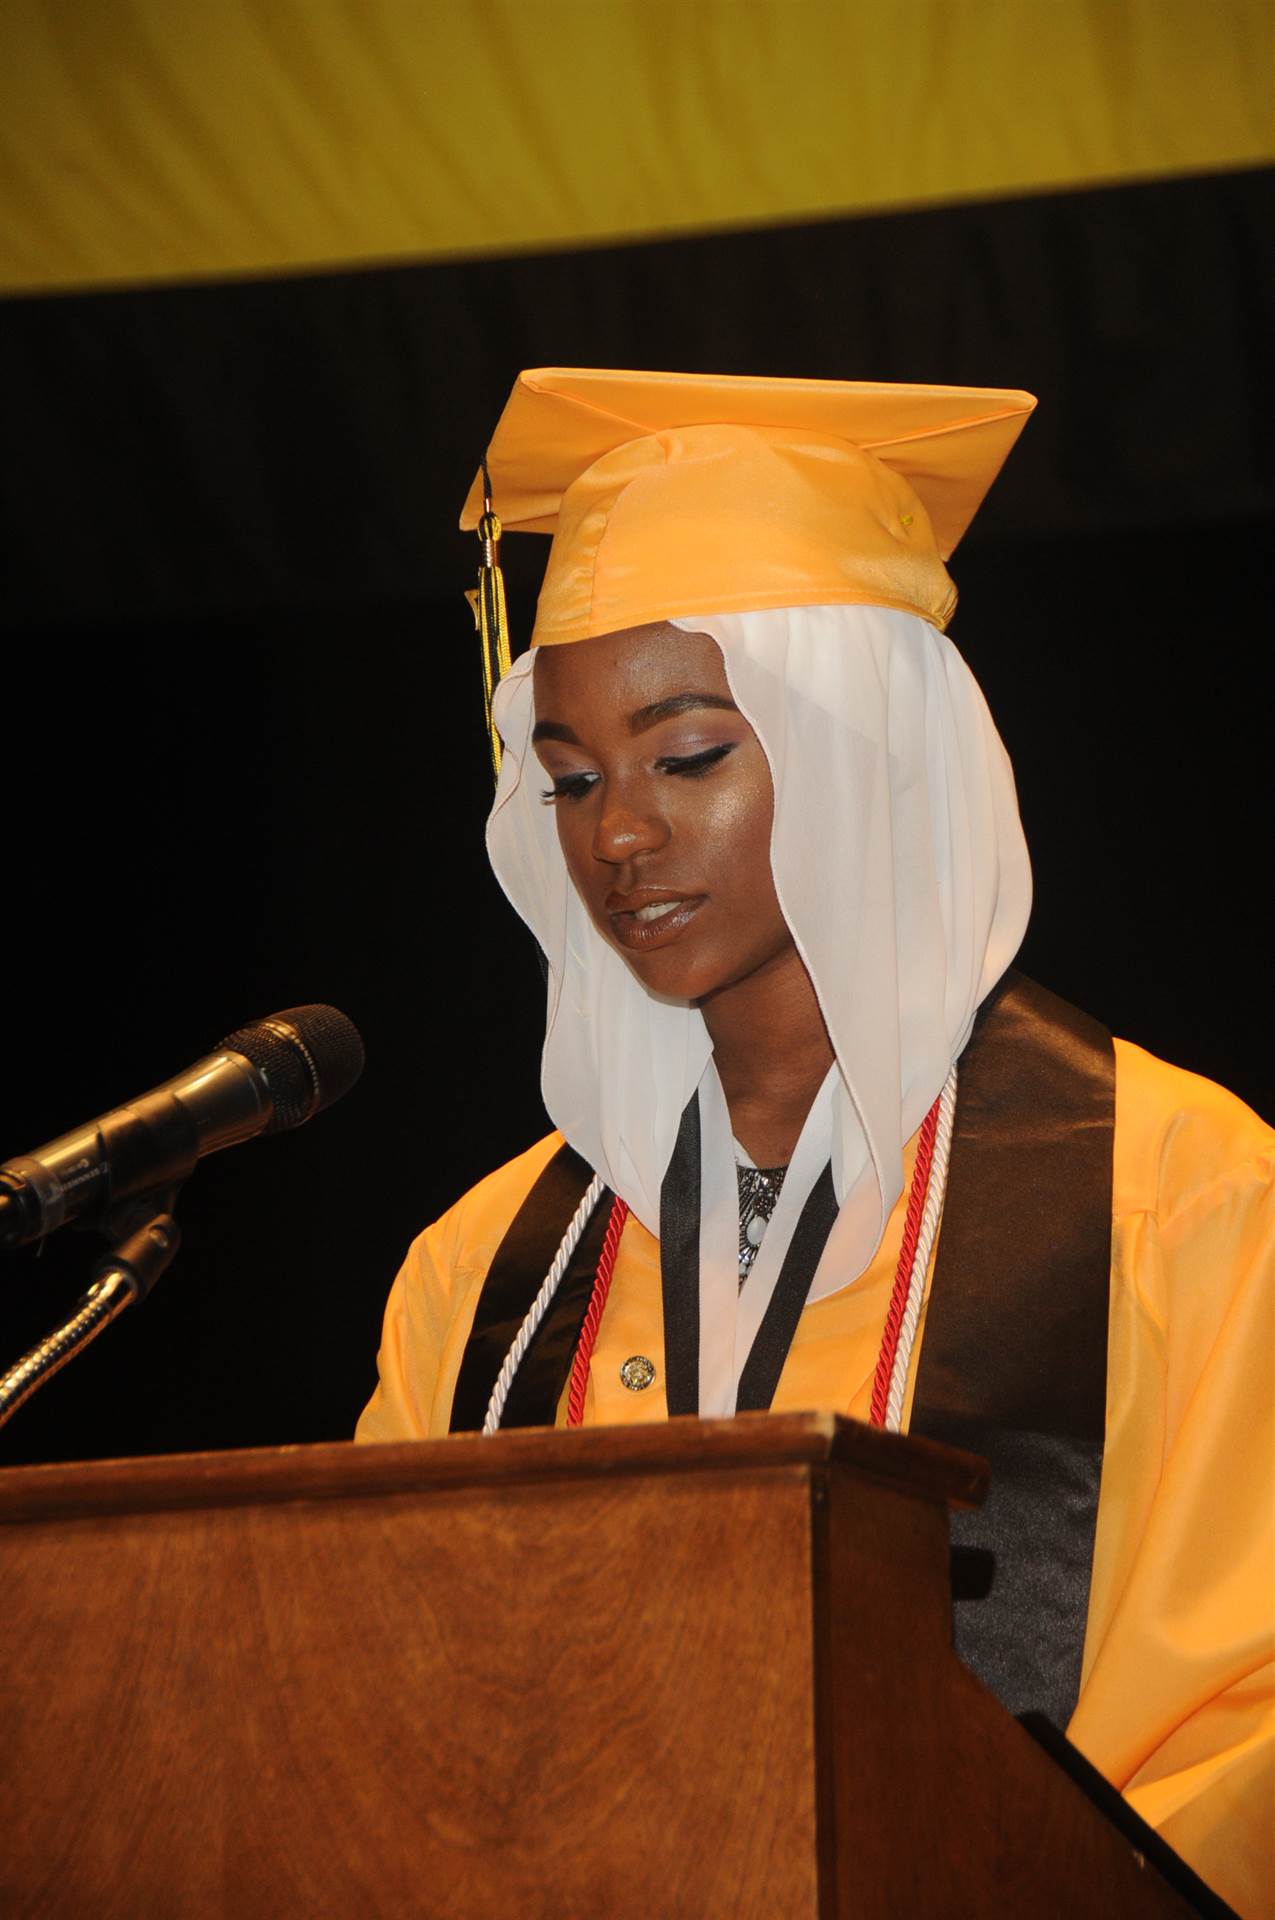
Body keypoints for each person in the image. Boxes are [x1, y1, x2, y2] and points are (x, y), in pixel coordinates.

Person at [357, 369, 1272, 1916]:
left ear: (871, 752)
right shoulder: (488, 1271)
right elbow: (369, 1700)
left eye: (689, 755)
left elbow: (1239, 1727)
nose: (618, 837)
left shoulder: (1178, 1197)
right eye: (571, 779)